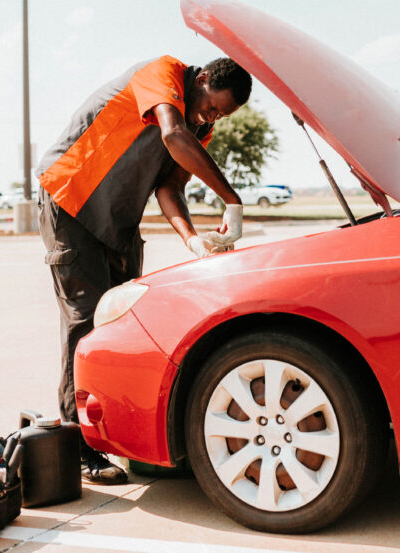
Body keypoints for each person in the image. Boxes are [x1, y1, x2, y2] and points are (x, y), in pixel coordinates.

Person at [35, 55, 250, 483]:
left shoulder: (199, 126)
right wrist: (232, 198)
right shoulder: (163, 74)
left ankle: (124, 440)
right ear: (202, 79)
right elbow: (172, 136)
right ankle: (80, 446)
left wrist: (192, 239)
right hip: (70, 200)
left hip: (115, 220)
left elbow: (169, 186)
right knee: (86, 322)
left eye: (220, 115)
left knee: (127, 323)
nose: (211, 118)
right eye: (212, 106)